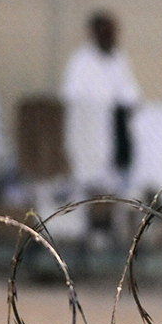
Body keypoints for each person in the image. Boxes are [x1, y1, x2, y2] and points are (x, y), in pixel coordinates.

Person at [60, 11, 140, 197]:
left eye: (112, 33)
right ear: (95, 34)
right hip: (88, 124)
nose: (109, 37)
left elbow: (129, 91)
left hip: (113, 125)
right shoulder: (81, 61)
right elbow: (72, 95)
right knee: (88, 169)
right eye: (105, 33)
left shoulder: (119, 59)